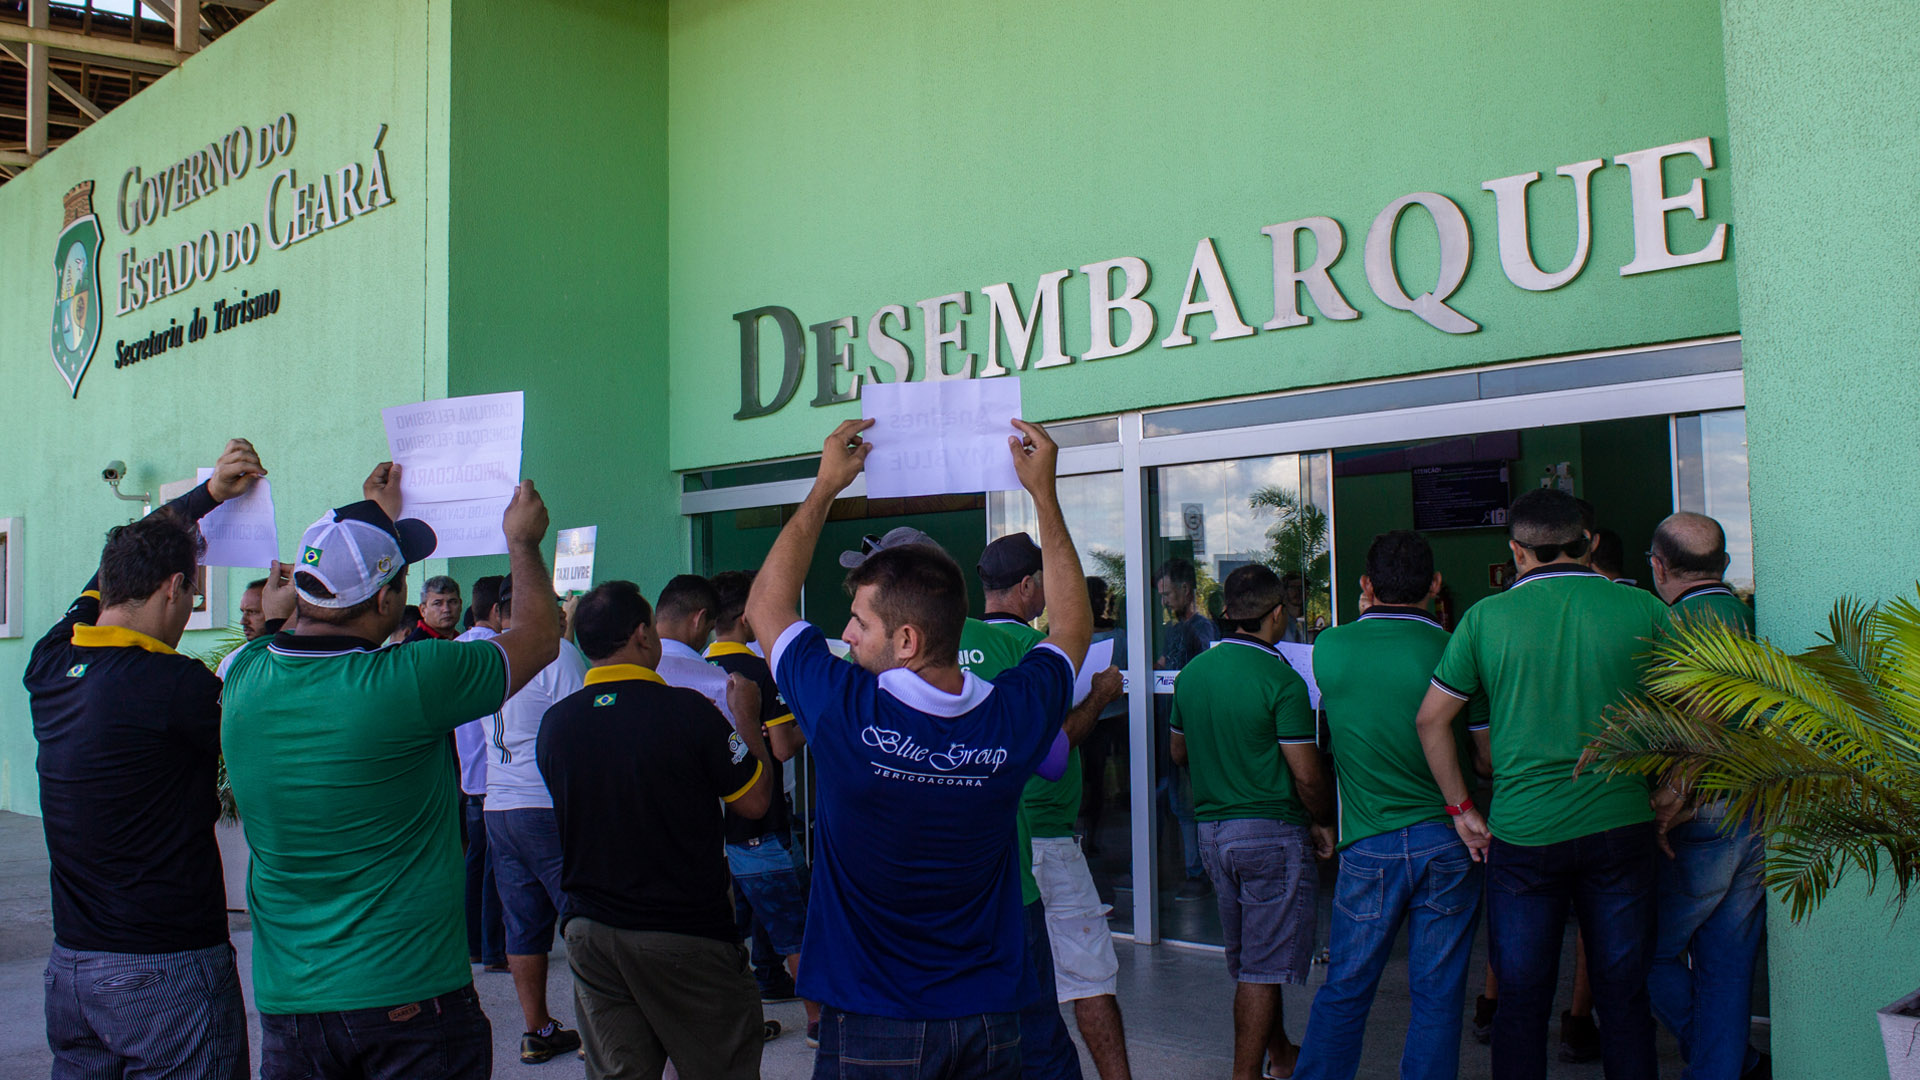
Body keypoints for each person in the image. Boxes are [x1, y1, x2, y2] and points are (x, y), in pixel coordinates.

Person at [744, 416, 1092, 1077]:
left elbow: (767, 605)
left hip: (877, 1023)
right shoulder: (1009, 717)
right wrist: (1044, 494)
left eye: (860, 622)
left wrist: (825, 487)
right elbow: (1072, 630)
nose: (844, 635)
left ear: (906, 641)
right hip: (992, 1020)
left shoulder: (845, 710)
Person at [221, 463, 562, 1080]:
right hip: (408, 999)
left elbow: (273, 634)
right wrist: (523, 543)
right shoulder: (411, 680)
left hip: (290, 1006)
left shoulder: (243, 678)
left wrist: (371, 513)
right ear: (386, 601)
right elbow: (540, 637)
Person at [28, 438, 275, 1080]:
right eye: (192, 594)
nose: (192, 605)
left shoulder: (53, 662)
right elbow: (273, 713)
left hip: (72, 972)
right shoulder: (175, 688)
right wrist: (274, 629)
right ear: (174, 588)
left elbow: (113, 564)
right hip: (164, 970)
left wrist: (207, 498)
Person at [1416, 487, 1670, 1080]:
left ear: (1517, 553)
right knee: (1625, 1001)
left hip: (1524, 836)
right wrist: (1676, 789)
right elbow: (1708, 709)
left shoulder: (1485, 617)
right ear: (1592, 544)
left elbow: (1431, 719)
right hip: (1621, 823)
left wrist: (1460, 810)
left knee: (1521, 1004)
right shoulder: (1646, 612)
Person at [540, 580, 775, 1080]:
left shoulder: (557, 724)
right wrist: (747, 719)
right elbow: (754, 801)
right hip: (683, 932)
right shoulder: (688, 712)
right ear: (643, 635)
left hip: (591, 932)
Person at [1293, 531, 1487, 1080]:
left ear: (1366, 585)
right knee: (1438, 995)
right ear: (1435, 585)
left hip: (1369, 844)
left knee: (1346, 988)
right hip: (1451, 841)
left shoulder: (1330, 647)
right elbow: (1487, 759)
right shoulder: (1456, 650)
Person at [968, 532, 1131, 1080]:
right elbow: (1056, 743)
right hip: (1046, 839)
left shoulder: (955, 643)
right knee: (1090, 978)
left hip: (992, 843)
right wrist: (1101, 695)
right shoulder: (1036, 653)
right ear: (1028, 585)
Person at [1170, 563, 1334, 1080]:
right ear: (1277, 614)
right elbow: (1307, 777)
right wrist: (1324, 820)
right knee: (1262, 972)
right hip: (1269, 836)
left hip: (1213, 836)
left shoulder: (1195, 673)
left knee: (1252, 964)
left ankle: (1282, 1053)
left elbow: (1177, 753)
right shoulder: (1281, 680)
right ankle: (1245, 1074)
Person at [1645, 512, 1769, 1080]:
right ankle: (1725, 1063)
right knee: (1728, 963)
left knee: (1640, 951)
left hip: (1702, 817)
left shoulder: (1677, 623)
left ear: (1659, 566)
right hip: (1755, 807)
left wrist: (1675, 790)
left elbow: (1705, 712)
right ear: (1723, 564)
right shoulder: (1744, 615)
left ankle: (1723, 1057)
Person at [707, 569, 820, 1043]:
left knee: (725, 931)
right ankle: (818, 1020)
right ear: (745, 616)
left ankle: (743, 1007)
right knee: (794, 923)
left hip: (711, 826)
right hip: (760, 819)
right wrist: (815, 720)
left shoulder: (693, 665)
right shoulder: (757, 671)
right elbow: (781, 747)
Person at [484, 573, 590, 1063]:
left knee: (522, 923)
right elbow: (576, 733)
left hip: (499, 804)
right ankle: (603, 1029)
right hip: (546, 806)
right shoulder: (556, 653)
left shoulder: (490, 657)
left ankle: (537, 1029)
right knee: (584, 921)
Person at [453, 574, 508, 975]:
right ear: (495, 611)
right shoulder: (498, 650)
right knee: (494, 867)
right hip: (496, 776)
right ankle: (493, 948)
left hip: (469, 775)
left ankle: (473, 944)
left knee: (476, 862)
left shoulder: (454, 649)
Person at [1154, 557, 1216, 901]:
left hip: (1191, 727)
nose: (1164, 601)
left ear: (1185, 589)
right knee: (1177, 800)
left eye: (1167, 594)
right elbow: (1166, 665)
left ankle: (1200, 871)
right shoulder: (1174, 630)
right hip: (1170, 724)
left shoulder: (1200, 629)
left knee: (1188, 802)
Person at [214, 574, 275, 679]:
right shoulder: (232, 662)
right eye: (243, 612)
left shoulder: (298, 656)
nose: (243, 621)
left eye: (252, 612)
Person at [407, 574, 464, 642]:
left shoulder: (465, 640)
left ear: (460, 605)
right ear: (423, 610)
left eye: (452, 602)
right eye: (437, 603)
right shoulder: (413, 647)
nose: (446, 609)